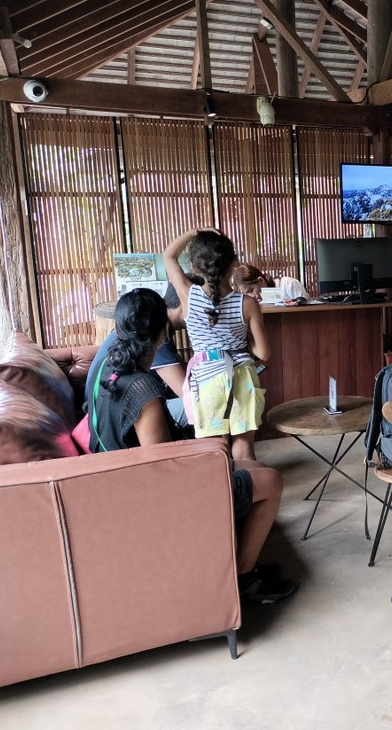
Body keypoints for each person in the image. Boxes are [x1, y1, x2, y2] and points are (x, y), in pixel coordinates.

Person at [86, 288, 294, 604]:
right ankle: (243, 579)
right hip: (149, 496)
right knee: (271, 480)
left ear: (118, 329)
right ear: (162, 335)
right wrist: (211, 462)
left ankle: (239, 557)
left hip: (116, 479)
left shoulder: (107, 365)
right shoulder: (145, 393)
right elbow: (165, 473)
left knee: (251, 466)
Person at [163, 228, 268, 462]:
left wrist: (193, 233)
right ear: (235, 264)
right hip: (243, 377)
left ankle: (223, 497)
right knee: (244, 450)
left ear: (195, 267)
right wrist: (242, 341)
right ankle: (250, 496)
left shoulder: (188, 295)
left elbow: (168, 256)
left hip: (206, 379)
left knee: (214, 451)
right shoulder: (248, 304)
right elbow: (263, 352)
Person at [86, 286, 189, 428]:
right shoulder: (151, 334)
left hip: (102, 416)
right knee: (203, 406)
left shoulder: (104, 364)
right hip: (120, 413)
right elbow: (186, 392)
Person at [232, 263, 308, 302]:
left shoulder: (288, 284)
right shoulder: (256, 303)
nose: (251, 296)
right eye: (246, 294)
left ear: (260, 280)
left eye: (251, 290)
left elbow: (308, 310)